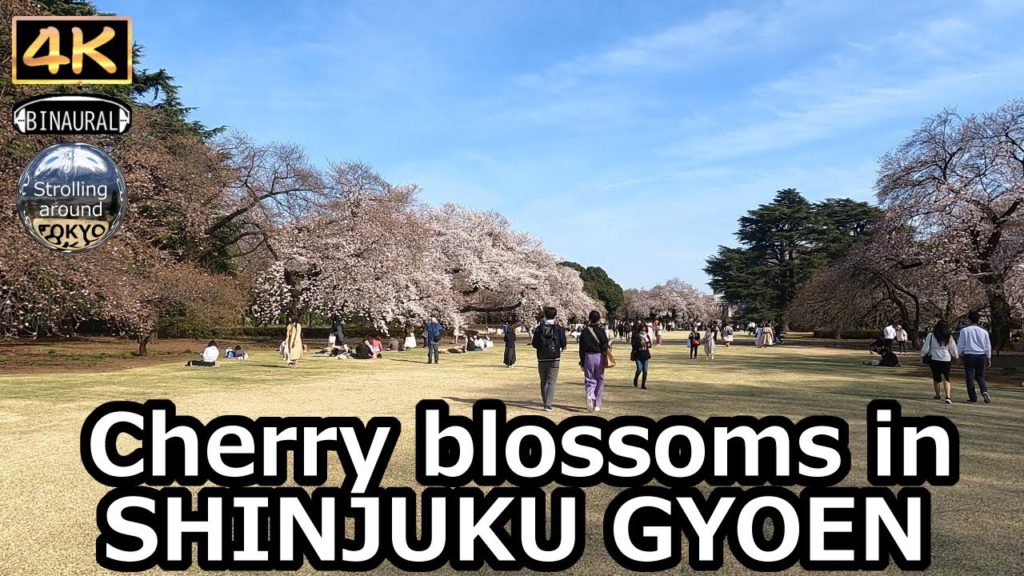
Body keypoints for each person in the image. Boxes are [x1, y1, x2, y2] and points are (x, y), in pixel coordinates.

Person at [531, 306, 567, 412]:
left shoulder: (539, 328)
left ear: (545, 315)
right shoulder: (559, 329)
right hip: (555, 358)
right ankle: (548, 404)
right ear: (555, 315)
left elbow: (534, 344)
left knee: (543, 380)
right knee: (551, 382)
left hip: (542, 357)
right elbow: (563, 343)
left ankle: (545, 401)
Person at [956, 311, 992, 403]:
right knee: (980, 376)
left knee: (969, 376)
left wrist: (959, 356)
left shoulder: (964, 331)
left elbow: (960, 345)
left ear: (969, 320)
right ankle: (984, 391)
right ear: (979, 320)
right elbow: (987, 346)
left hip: (969, 354)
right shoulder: (984, 332)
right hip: (981, 355)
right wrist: (988, 357)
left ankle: (973, 397)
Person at [579, 310, 611, 412]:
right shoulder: (601, 331)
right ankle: (597, 404)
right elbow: (605, 345)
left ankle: (589, 395)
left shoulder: (584, 331)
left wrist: (582, 360)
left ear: (589, 318)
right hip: (599, 356)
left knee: (589, 378)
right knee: (600, 379)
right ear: (599, 319)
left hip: (588, 356)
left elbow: (581, 347)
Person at [921, 320, 958, 404]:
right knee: (946, 378)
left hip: (934, 358)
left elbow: (926, 348)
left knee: (936, 378)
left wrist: (922, 355)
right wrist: (956, 356)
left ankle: (937, 394)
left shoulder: (931, 335)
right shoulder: (949, 336)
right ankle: (948, 396)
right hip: (946, 358)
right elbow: (953, 348)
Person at [631, 320, 652, 389]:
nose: (643, 331)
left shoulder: (647, 336)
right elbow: (633, 344)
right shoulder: (635, 336)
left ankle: (643, 384)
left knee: (645, 371)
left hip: (645, 354)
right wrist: (640, 344)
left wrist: (648, 344)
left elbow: (650, 345)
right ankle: (636, 378)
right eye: (642, 329)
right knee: (639, 369)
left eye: (645, 329)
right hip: (638, 354)